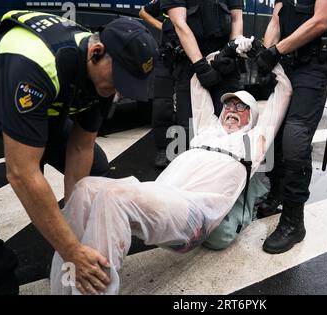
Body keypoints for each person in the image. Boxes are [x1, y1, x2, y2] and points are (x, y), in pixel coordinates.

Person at [50, 57, 293, 295]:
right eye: (229, 105)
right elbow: (197, 84)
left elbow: (284, 93)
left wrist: (268, 58)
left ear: (253, 118)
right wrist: (218, 56)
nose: (232, 109)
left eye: (241, 107)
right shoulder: (207, 129)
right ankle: (63, 289)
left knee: (113, 197)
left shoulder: (253, 142)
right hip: (160, 196)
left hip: (194, 213)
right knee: (84, 190)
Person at [0, 11, 158, 292]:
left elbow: (82, 146)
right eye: (118, 80)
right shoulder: (36, 60)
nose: (118, 92)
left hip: (46, 112)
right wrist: (72, 251)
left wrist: (74, 235)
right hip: (5, 101)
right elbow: (21, 173)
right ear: (96, 52)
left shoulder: (102, 73)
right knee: (0, 275)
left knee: (96, 165)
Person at [253, 0, 327, 254]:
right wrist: (266, 54)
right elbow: (276, 20)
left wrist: (276, 51)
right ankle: (277, 193)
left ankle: (294, 222)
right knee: (274, 134)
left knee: (295, 139)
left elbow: (321, 21)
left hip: (312, 68)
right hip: (285, 64)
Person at [160, 0, 245, 148]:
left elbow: (236, 19)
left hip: (223, 61)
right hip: (190, 63)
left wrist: (230, 52)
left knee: (230, 126)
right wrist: (201, 67)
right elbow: (180, 24)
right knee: (189, 130)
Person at [139, 1, 176, 168]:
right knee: (162, 105)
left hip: (193, 57)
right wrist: (164, 27)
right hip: (167, 56)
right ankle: (163, 150)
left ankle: (186, 149)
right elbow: (143, 12)